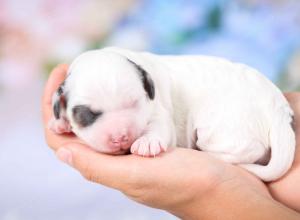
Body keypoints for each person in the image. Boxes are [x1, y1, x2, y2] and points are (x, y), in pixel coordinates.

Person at [42, 64, 300, 219]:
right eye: (91, 114)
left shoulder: (148, 81)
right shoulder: (126, 77)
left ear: (147, 87)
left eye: (132, 104)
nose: (121, 132)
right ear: (60, 103)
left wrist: (215, 194)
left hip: (246, 116)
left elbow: (161, 119)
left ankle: (245, 152)